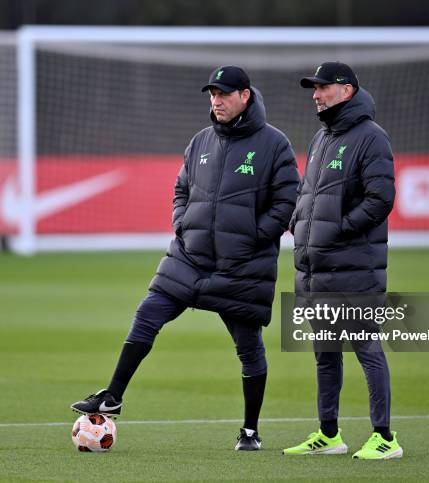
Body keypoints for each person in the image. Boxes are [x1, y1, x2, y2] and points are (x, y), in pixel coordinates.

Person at [71, 65, 300, 451]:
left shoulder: (274, 144)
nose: (216, 100)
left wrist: (256, 236)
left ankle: (249, 431)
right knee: (147, 314)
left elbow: (287, 199)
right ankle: (113, 396)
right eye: (212, 93)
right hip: (189, 258)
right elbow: (181, 188)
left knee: (248, 349)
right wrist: (181, 222)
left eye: (224, 93)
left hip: (241, 266)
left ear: (245, 96)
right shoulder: (200, 141)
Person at [282, 62, 403, 459]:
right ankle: (329, 434)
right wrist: (299, 225)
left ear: (346, 90)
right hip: (317, 269)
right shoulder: (321, 138)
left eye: (322, 87)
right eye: (313, 89)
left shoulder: (371, 137)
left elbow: (380, 199)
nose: (315, 94)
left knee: (367, 348)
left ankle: (385, 437)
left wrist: (336, 230)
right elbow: (309, 197)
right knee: (325, 354)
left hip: (354, 268)